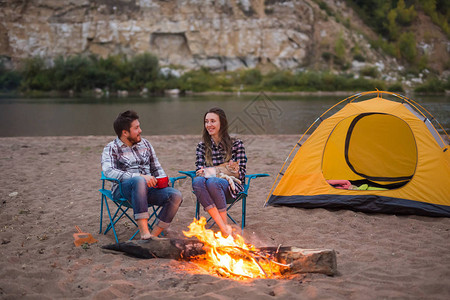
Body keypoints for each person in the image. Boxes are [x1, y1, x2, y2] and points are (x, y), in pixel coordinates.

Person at [101, 110, 183, 239]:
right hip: (124, 191)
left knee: (175, 195)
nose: (140, 130)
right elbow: (108, 171)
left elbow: (156, 168)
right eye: (136, 128)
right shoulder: (111, 148)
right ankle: (144, 233)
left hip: (149, 190)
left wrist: (163, 178)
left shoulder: (145, 144)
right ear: (125, 132)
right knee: (139, 181)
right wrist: (139, 177)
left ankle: (153, 237)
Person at [193, 107, 247, 236]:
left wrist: (211, 171)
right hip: (207, 187)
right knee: (197, 181)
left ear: (221, 123)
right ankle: (224, 227)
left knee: (212, 181)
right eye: (206, 121)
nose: (209, 125)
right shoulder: (202, 146)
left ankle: (223, 225)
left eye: (213, 121)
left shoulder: (236, 144)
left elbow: (240, 173)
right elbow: (200, 172)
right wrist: (224, 169)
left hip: (231, 187)